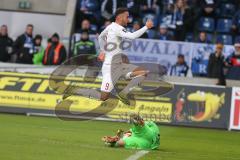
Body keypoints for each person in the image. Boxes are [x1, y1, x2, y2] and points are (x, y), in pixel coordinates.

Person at [63, 8, 153, 105]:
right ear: (119, 17)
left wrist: (103, 50)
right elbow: (132, 36)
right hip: (111, 67)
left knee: (143, 73)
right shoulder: (117, 28)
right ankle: (75, 90)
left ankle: (123, 93)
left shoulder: (110, 27)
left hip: (118, 66)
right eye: (127, 17)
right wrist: (146, 27)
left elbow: (101, 36)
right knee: (103, 97)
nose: (128, 19)